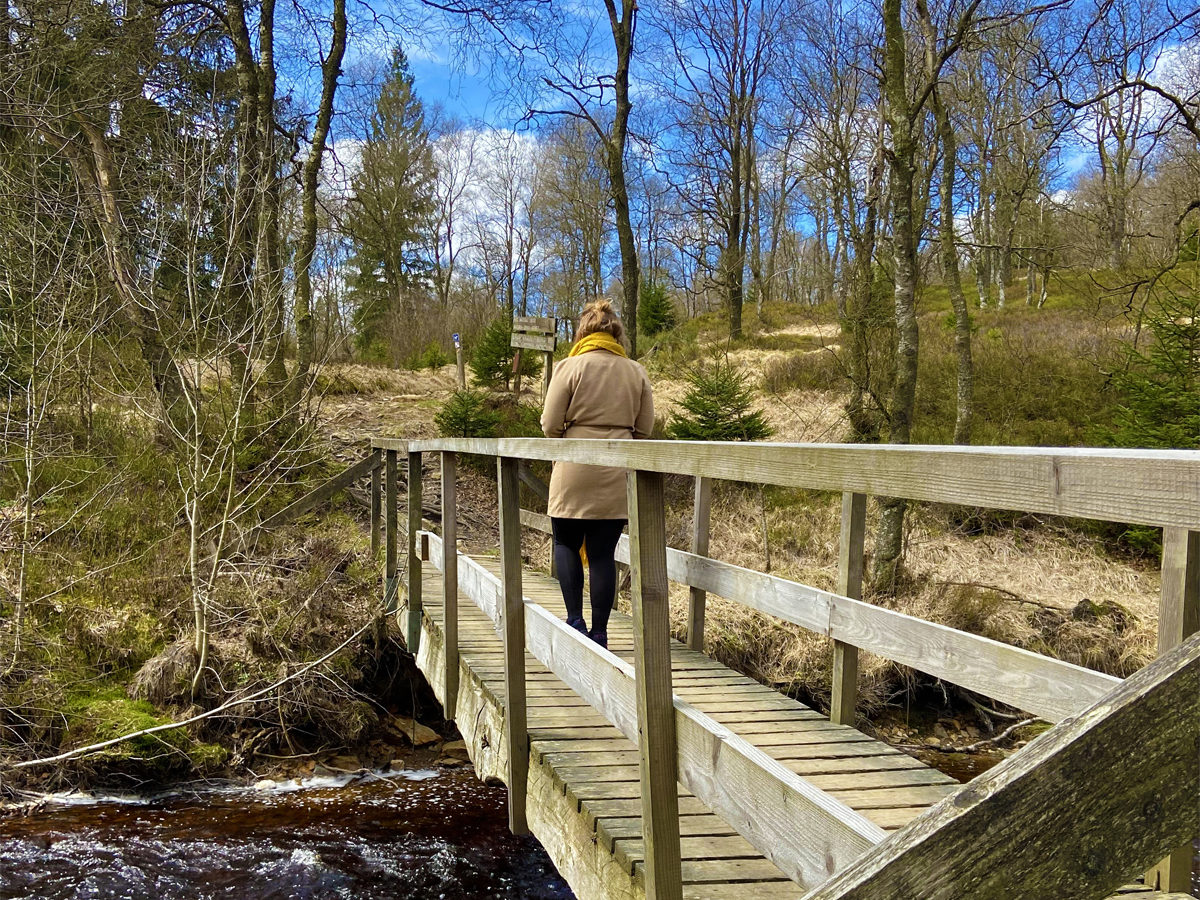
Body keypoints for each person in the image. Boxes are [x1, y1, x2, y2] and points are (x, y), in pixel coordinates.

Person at [540, 300, 655, 649]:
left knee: (566, 542)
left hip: (574, 468)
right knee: (603, 554)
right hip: (616, 470)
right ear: (616, 334)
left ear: (583, 332)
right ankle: (601, 632)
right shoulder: (635, 371)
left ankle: (575, 620)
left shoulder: (568, 367)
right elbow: (645, 427)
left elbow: (549, 424)